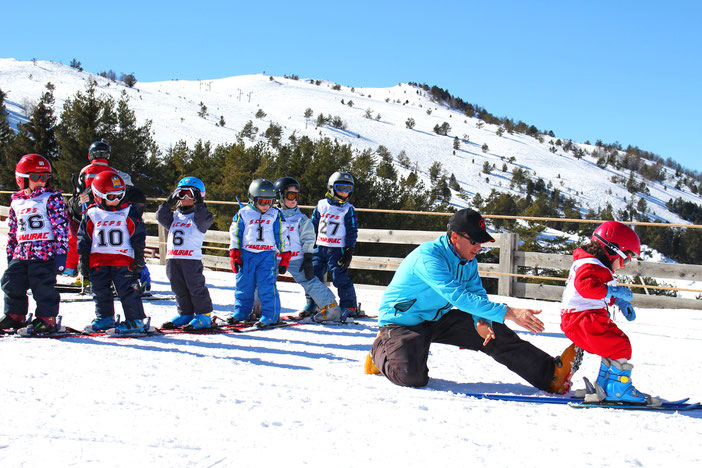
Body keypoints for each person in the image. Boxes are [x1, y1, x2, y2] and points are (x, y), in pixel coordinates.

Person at [366, 208, 578, 394]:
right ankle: (380, 350)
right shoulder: (429, 257)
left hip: (437, 317)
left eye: (481, 242)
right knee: (412, 378)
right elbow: (457, 296)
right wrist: (511, 312)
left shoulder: (468, 261)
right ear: (455, 237)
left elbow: (476, 295)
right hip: (403, 322)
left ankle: (551, 374)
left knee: (494, 331)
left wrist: (482, 321)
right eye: (474, 241)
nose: (478, 247)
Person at [560, 221, 660, 405]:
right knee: (620, 346)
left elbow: (597, 291)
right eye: (626, 259)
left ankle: (604, 387)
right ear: (613, 250)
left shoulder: (591, 264)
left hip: (577, 318)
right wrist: (613, 292)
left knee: (611, 348)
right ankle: (618, 390)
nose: (625, 265)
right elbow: (586, 288)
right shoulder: (591, 265)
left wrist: (618, 301)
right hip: (584, 318)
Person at [65, 141, 151, 294]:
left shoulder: (86, 171)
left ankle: (83, 274)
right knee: (126, 243)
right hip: (115, 210)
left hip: (92, 211)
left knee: (88, 242)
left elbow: (79, 192)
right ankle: (139, 277)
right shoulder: (115, 172)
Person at [0, 154, 69, 334]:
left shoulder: (51, 198)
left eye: (44, 177)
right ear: (22, 179)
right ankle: (15, 315)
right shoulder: (16, 201)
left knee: (43, 286)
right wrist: (10, 252)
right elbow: (14, 230)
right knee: (10, 282)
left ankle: (47, 319)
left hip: (43, 252)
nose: (40, 181)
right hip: (21, 252)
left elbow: (61, 227)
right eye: (35, 177)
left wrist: (61, 253)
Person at [77, 171, 147, 333]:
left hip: (122, 260)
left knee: (128, 290)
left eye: (119, 195)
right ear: (98, 196)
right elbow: (84, 237)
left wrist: (138, 256)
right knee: (100, 291)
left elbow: (138, 234)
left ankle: (135, 320)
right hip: (98, 260)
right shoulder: (92, 213)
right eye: (110, 197)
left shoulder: (128, 211)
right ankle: (105, 317)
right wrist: (83, 258)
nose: (115, 200)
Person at [274, 177, 343, 322]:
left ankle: (331, 308)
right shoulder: (271, 216)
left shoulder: (301, 219)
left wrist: (307, 258)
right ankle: (259, 309)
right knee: (263, 281)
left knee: (310, 281)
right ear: (280, 197)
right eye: (290, 196)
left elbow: (308, 239)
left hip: (296, 257)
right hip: (274, 258)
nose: (294, 200)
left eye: (297, 197)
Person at [228, 179, 291, 328]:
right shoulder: (243, 213)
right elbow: (235, 234)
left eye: (269, 202)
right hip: (247, 254)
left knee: (267, 286)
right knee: (244, 285)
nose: (265, 206)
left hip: (267, 255)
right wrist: (235, 254)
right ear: (252, 198)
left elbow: (281, 236)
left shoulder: (275, 214)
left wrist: (285, 257)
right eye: (262, 202)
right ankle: (241, 312)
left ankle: (270, 315)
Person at [157, 177, 214, 330]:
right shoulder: (175, 216)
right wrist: (169, 201)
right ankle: (185, 313)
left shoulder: (199, 217)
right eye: (181, 194)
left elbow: (204, 220)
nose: (185, 199)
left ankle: (204, 315)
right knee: (178, 288)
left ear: (197, 196)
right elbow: (160, 217)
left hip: (190, 259)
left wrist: (200, 203)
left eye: (190, 194)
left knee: (195, 287)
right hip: (173, 258)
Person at [307, 171, 359, 320]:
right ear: (331, 187)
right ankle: (314, 302)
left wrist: (349, 249)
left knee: (339, 277)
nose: (344, 193)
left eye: (348, 189)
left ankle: (349, 305)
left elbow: (352, 230)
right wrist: (308, 242)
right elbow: (313, 224)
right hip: (320, 247)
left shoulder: (348, 209)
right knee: (313, 275)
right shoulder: (321, 205)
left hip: (338, 250)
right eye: (340, 188)